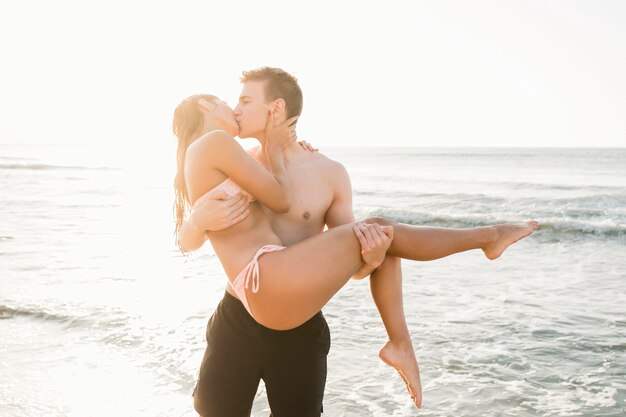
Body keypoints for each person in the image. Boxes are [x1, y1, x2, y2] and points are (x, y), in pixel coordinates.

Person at [173, 68, 538, 416]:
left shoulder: (329, 173)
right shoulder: (239, 161)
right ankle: (480, 246)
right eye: (234, 101)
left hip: (295, 315)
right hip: (240, 311)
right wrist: (195, 220)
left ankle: (401, 342)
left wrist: (372, 258)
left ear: (276, 108)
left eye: (245, 101)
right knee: (216, 412)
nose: (236, 109)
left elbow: (356, 268)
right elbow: (190, 239)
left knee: (379, 235)